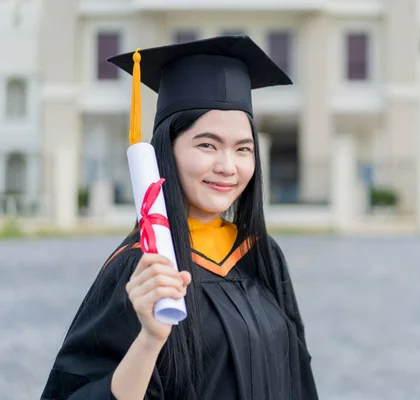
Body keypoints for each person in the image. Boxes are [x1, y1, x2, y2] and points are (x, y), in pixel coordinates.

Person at [40, 35, 319, 400]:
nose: (227, 167)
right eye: (207, 144)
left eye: (243, 149)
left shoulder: (262, 254)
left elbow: (298, 378)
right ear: (166, 150)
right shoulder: (142, 266)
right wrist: (150, 340)